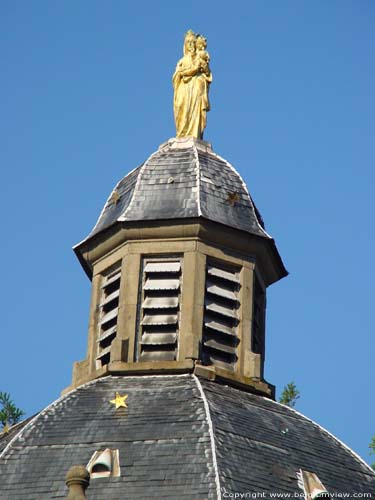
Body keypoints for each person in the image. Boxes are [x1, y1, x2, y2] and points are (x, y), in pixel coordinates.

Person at [172, 30, 212, 139]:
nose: (190, 45)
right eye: (188, 42)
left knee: (195, 111)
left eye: (192, 42)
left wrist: (201, 69)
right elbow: (176, 77)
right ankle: (182, 131)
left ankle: (195, 132)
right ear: (185, 45)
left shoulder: (199, 58)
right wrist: (185, 73)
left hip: (196, 89)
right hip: (184, 90)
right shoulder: (182, 61)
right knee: (182, 107)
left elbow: (207, 73)